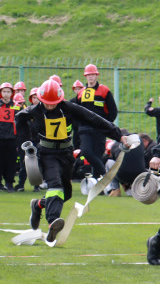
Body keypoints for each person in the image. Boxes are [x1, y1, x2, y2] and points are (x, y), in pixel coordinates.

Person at [15, 79, 128, 242]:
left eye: (54, 103)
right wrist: (26, 144)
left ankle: (38, 205)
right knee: (55, 185)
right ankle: (53, 222)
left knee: (65, 194)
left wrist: (118, 135)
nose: (50, 106)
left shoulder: (69, 108)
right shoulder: (32, 111)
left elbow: (93, 119)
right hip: (46, 153)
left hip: (66, 153)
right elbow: (19, 119)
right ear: (41, 99)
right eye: (47, 103)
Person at [74, 63, 118, 179]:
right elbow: (76, 111)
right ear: (85, 76)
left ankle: (97, 184)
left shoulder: (104, 90)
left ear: (97, 75)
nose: (91, 77)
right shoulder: (81, 93)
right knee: (86, 151)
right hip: (85, 129)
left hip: (99, 129)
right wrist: (79, 125)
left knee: (98, 155)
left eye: (93, 74)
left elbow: (113, 111)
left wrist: (105, 124)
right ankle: (105, 176)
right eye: (88, 75)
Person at [0, 82, 17, 191]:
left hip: (12, 139)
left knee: (11, 162)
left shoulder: (16, 106)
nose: (6, 94)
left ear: (11, 93)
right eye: (4, 91)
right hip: (0, 138)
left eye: (8, 92)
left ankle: (9, 183)